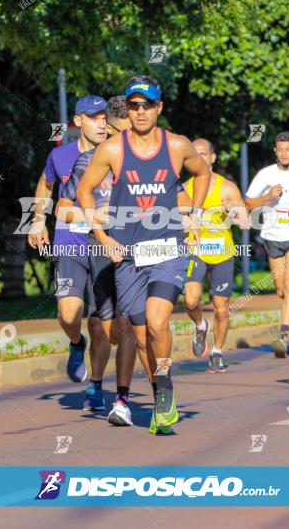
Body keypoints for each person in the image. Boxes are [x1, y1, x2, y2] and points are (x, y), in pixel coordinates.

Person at [77, 75, 211, 434]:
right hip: (128, 256)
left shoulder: (178, 146)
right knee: (139, 338)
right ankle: (160, 398)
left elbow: (204, 171)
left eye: (146, 105)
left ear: (159, 107)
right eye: (134, 105)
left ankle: (164, 385)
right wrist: (102, 235)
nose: (139, 111)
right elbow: (85, 190)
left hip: (168, 248)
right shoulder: (113, 150)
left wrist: (195, 217)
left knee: (157, 323)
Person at [55, 95, 139, 424]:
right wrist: (94, 214)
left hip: (125, 251)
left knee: (119, 328)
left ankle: (111, 392)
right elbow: (61, 208)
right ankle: (79, 349)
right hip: (83, 244)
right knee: (74, 315)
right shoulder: (83, 161)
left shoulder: (143, 165)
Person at [27, 96, 113, 390]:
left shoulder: (117, 155)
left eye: (104, 117)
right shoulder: (60, 156)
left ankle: (97, 385)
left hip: (105, 245)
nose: (101, 122)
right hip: (70, 241)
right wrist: (37, 220)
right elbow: (45, 185)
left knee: (100, 323)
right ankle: (76, 343)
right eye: (93, 117)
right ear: (78, 121)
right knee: (68, 314)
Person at [244, 132, 289, 358]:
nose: (284, 153)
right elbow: (247, 203)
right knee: (281, 289)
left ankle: (283, 335)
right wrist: (267, 197)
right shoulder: (266, 174)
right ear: (275, 151)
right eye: (280, 149)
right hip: (273, 235)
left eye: (288, 149)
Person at [183, 138, 250, 372]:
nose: (199, 157)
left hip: (222, 253)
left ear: (212, 157)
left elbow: (245, 222)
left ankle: (217, 352)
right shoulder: (184, 189)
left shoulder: (227, 187)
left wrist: (232, 212)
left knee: (222, 309)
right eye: (194, 153)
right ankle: (201, 325)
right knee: (191, 300)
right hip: (195, 250)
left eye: (203, 153)